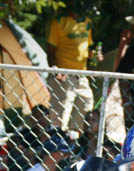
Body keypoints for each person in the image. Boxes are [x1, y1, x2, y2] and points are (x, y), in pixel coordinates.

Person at [46, 2, 103, 135]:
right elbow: (50, 50)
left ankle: (76, 142)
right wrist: (56, 70)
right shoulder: (59, 22)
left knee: (86, 108)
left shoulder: (86, 23)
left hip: (81, 77)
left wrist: (94, 55)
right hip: (63, 76)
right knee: (60, 117)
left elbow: (86, 49)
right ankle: (57, 145)